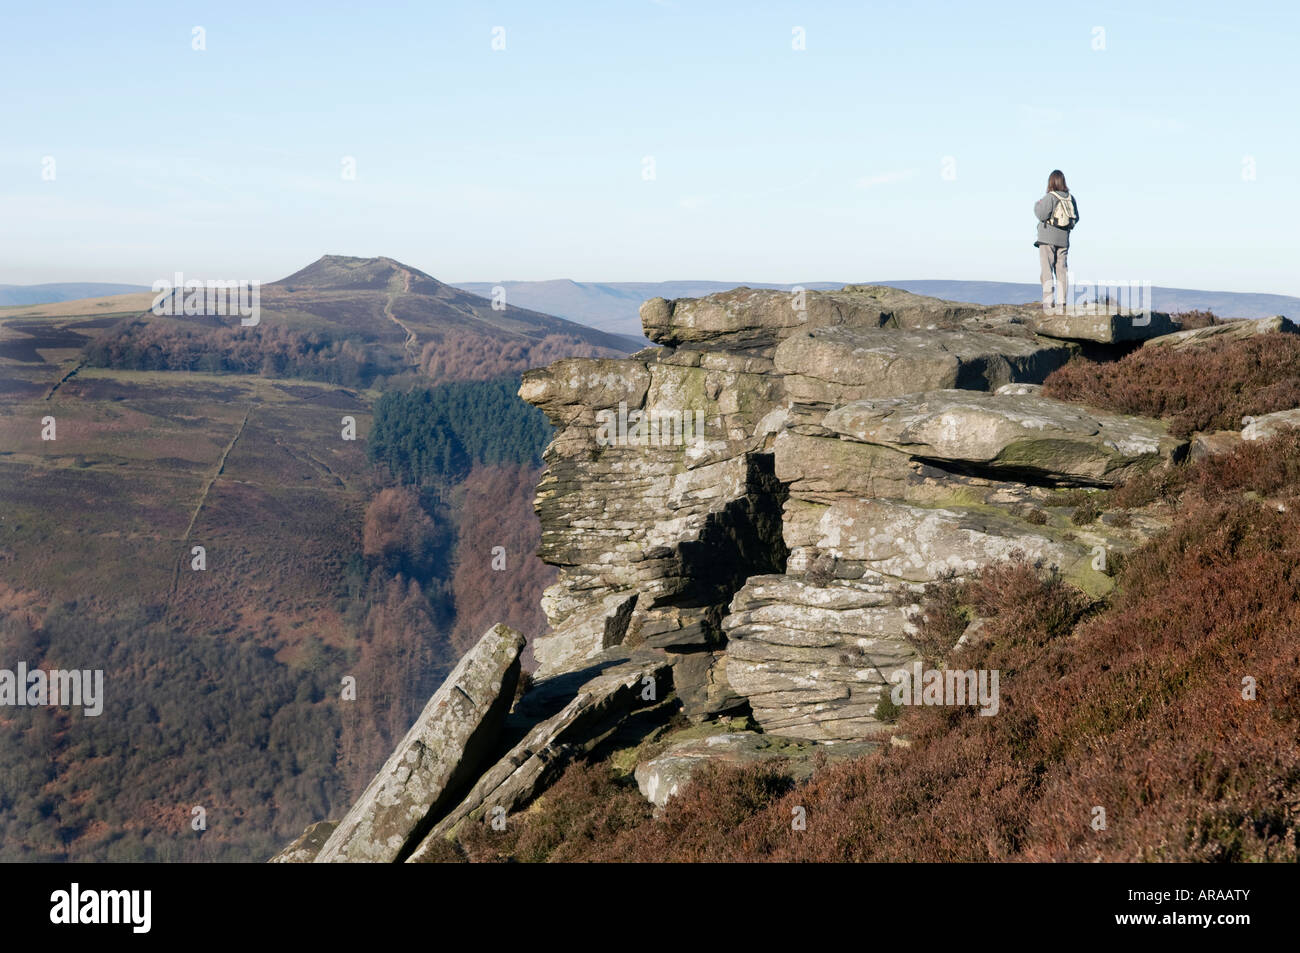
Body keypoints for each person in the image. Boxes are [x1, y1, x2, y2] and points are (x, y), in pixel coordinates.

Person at [1034, 170, 1078, 311]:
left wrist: (1037, 204)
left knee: (1047, 269)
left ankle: (1048, 302)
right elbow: (1076, 218)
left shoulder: (1050, 197)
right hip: (1064, 239)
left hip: (1047, 238)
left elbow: (1041, 214)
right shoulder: (1071, 198)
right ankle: (1062, 302)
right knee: (1062, 270)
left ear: (1051, 182)